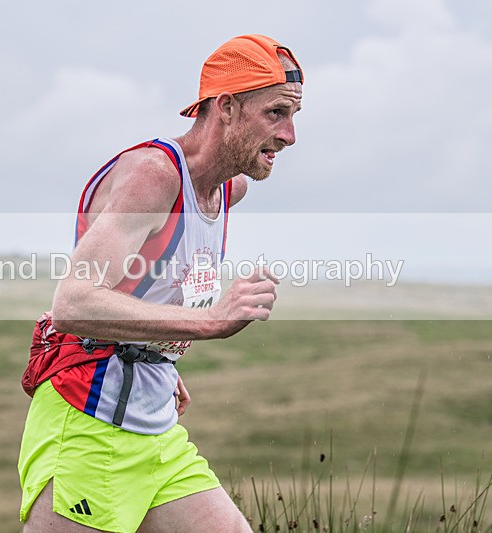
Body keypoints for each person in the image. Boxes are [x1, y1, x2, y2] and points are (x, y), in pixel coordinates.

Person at [18, 34, 304, 533]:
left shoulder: (226, 189)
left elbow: (152, 287)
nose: (290, 135)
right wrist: (211, 321)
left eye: (293, 116)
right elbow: (73, 300)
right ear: (228, 107)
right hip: (88, 422)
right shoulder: (154, 176)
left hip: (156, 429)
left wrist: (161, 354)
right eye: (276, 113)